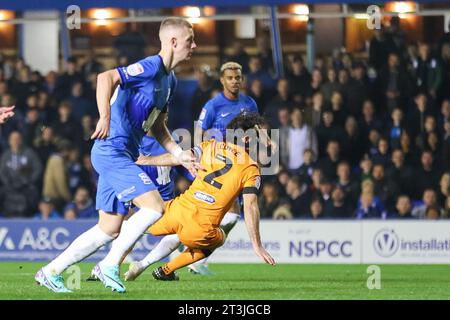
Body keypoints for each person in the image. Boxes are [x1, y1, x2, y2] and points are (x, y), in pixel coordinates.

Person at [35, 17, 199, 294]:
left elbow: (158, 126)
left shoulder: (170, 80)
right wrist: (105, 117)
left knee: (109, 229)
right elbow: (105, 77)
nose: (194, 46)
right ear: (173, 42)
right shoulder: (151, 66)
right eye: (189, 40)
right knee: (154, 207)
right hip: (112, 150)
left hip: (123, 153)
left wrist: (179, 154)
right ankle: (109, 265)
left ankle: (50, 272)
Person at [123, 113, 275, 281]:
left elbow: (179, 158)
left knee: (138, 224)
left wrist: (146, 161)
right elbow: (250, 206)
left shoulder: (210, 145)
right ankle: (165, 269)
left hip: (176, 211)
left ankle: (111, 259)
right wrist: (257, 245)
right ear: (247, 139)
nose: (266, 141)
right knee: (219, 238)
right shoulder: (251, 169)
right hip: (200, 229)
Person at [191, 61, 259, 275]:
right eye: (230, 78)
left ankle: (195, 255)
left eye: (238, 77)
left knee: (227, 216)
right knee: (230, 214)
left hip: (239, 166)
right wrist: (197, 159)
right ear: (222, 80)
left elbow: (253, 128)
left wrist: (265, 139)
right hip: (217, 167)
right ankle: (193, 256)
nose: (234, 81)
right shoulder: (213, 105)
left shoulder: (249, 103)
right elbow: (198, 132)